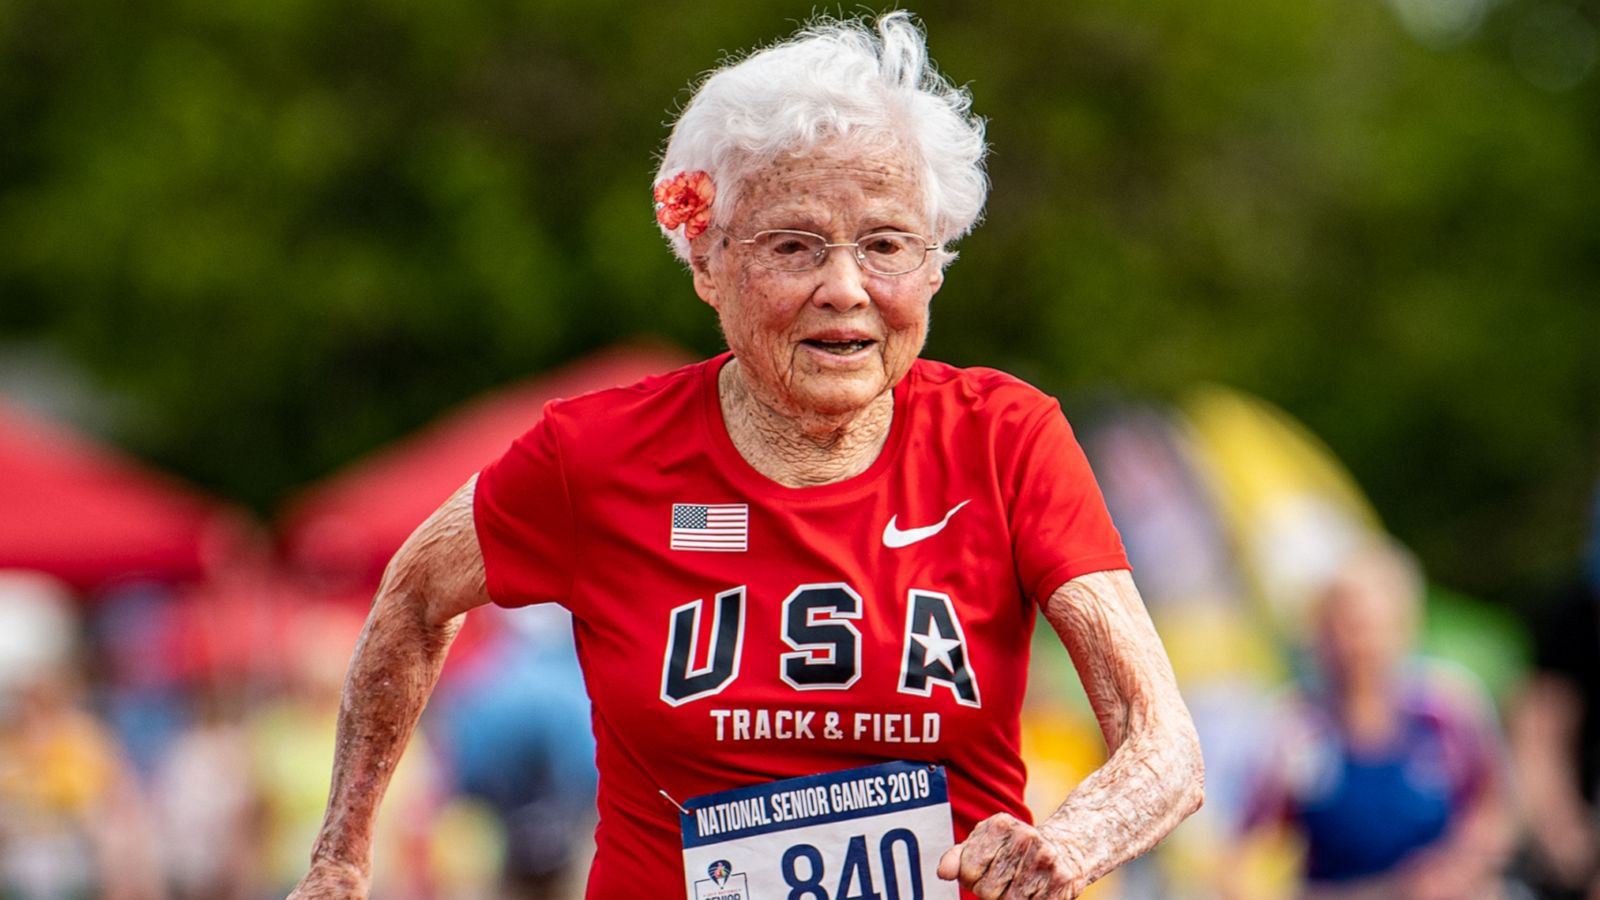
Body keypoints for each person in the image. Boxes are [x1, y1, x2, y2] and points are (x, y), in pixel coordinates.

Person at [288, 12, 1203, 899]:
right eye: (794, 246)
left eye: (886, 245)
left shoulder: (1005, 437)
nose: (845, 289)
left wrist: (1067, 846)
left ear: (932, 268)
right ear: (708, 263)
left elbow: (1163, 746)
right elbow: (413, 598)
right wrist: (341, 855)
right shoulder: (592, 456)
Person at [1229, 539, 1513, 900]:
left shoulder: (1447, 711)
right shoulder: (1296, 728)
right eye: (1346, 626)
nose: (1360, 643)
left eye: (1372, 625)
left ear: (1404, 626)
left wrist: (1462, 865)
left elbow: (1495, 807)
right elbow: (1246, 851)